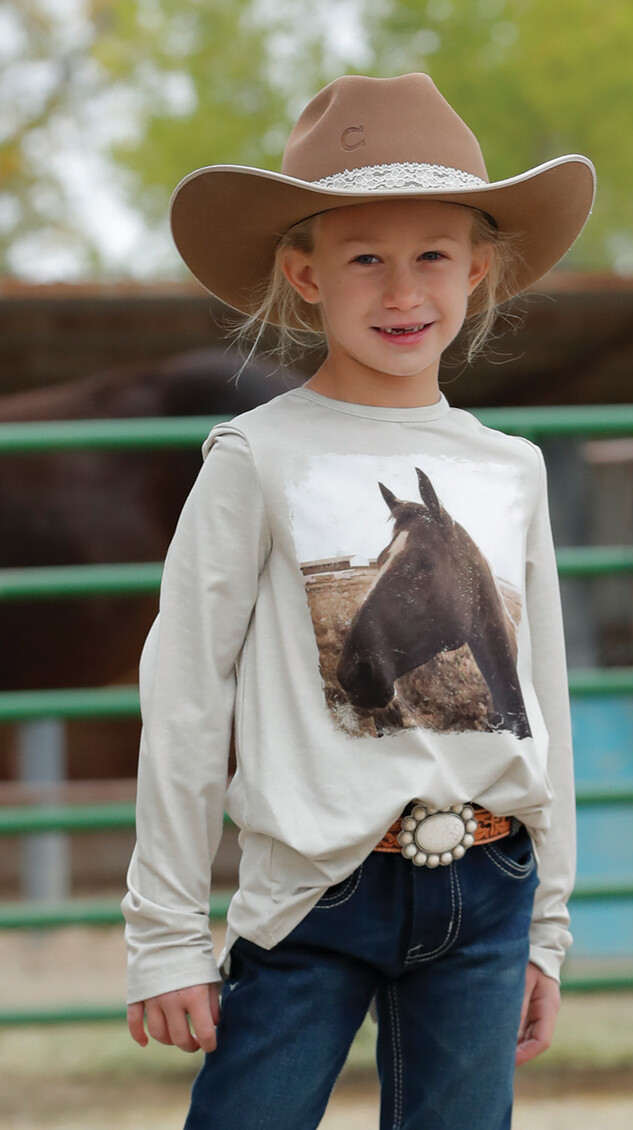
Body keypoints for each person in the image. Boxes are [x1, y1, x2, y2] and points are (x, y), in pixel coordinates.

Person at [122, 72, 595, 1130]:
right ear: (304, 274)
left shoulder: (510, 468)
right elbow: (189, 692)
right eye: (363, 255)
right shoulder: (255, 456)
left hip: (487, 884)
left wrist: (546, 928)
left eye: (432, 253)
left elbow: (541, 700)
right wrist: (165, 931)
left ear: (476, 271)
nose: (401, 289)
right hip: (312, 896)